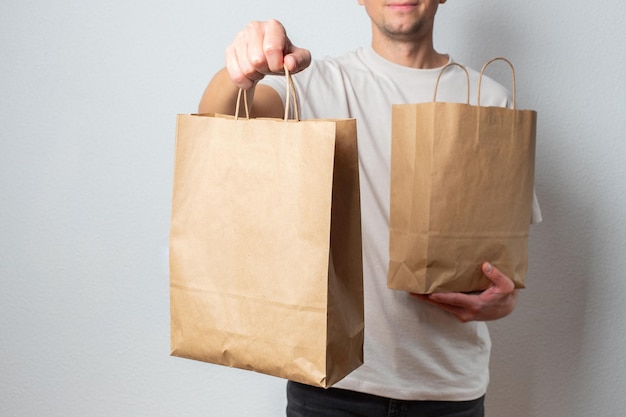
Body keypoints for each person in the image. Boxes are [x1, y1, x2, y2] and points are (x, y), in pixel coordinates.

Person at [199, 1, 542, 416]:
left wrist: (503, 303)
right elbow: (219, 123)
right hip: (329, 389)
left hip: (449, 393)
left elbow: (505, 266)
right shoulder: (313, 84)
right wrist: (242, 73)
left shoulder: (490, 99)